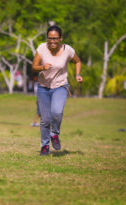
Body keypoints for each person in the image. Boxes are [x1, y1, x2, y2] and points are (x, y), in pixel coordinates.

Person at [32, 25, 82, 156]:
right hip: (43, 87)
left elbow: (77, 61)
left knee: (57, 112)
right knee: (45, 119)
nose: (52, 41)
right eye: (50, 38)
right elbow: (34, 66)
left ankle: (54, 134)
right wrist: (42, 67)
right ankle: (44, 146)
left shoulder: (67, 50)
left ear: (60, 38)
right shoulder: (42, 48)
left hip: (60, 86)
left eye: (55, 38)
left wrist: (77, 75)